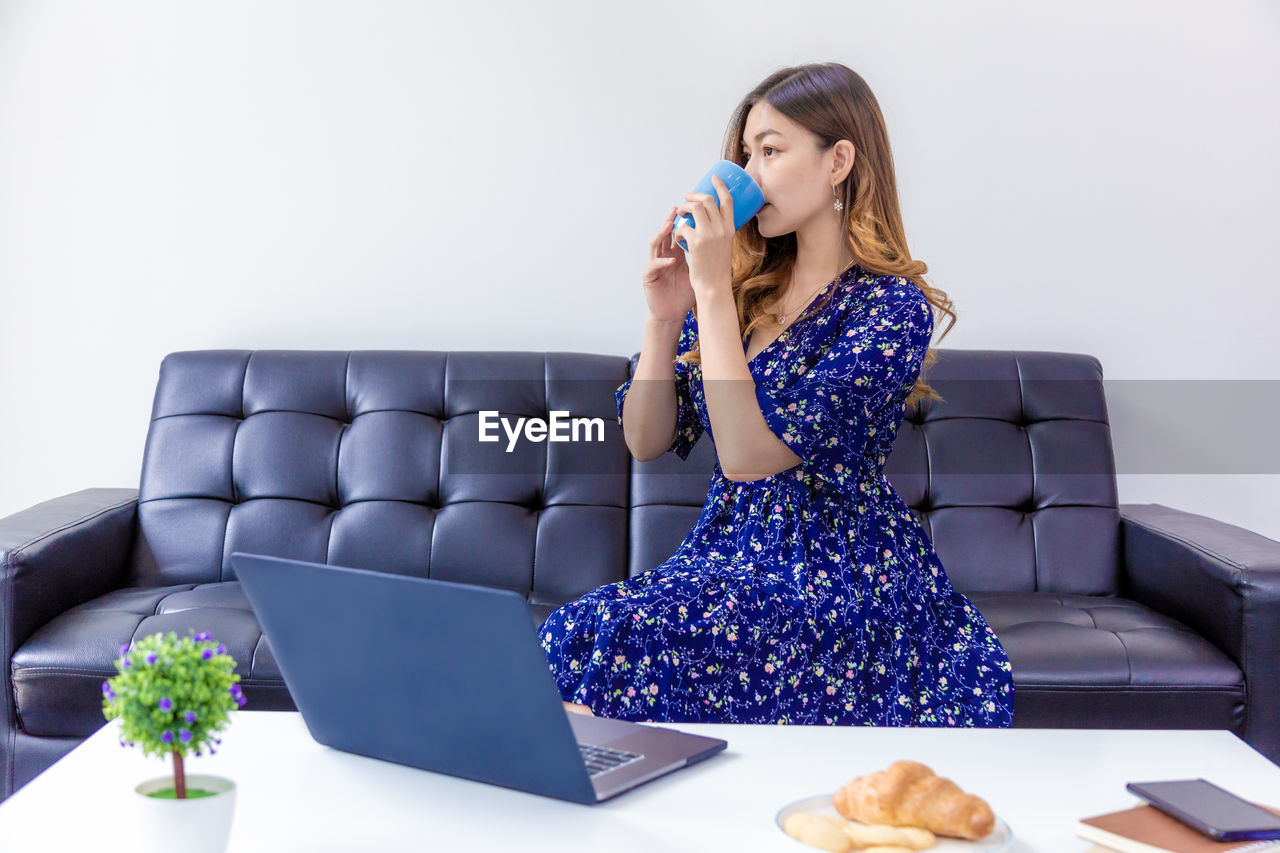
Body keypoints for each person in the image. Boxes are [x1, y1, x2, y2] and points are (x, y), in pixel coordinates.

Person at [543, 62, 1015, 726]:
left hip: (835, 574)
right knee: (581, 625)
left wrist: (709, 291)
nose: (749, 172)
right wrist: (664, 315)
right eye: (744, 154)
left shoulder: (889, 309)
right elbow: (645, 439)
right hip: (727, 555)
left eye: (770, 150)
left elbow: (746, 456)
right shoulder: (745, 296)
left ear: (837, 161)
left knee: (631, 637)